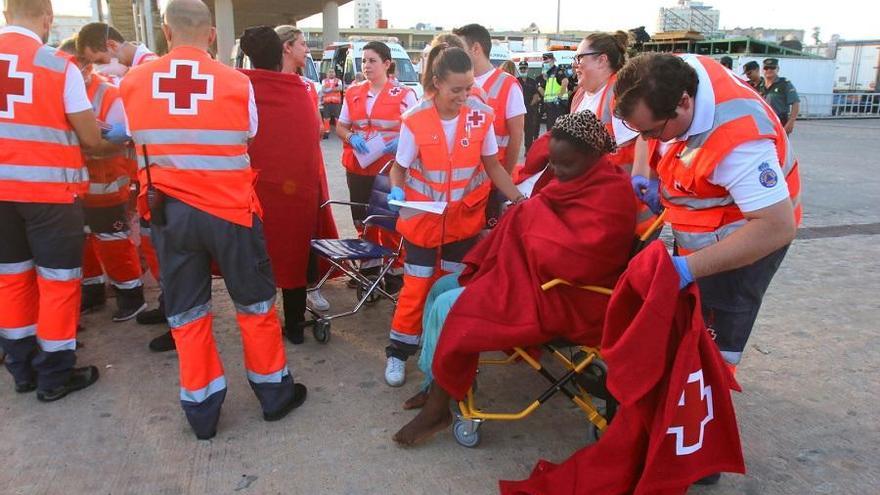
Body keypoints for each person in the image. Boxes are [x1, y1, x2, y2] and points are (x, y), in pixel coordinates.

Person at [119, 0, 307, 439]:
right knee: (256, 305)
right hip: (231, 212)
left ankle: (202, 411)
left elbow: (131, 136)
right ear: (211, 35)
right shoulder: (237, 83)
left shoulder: (132, 83)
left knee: (187, 312)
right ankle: (273, 394)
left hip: (171, 214)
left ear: (166, 32)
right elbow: (251, 134)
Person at [392, 111, 636, 443]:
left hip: (568, 296)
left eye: (567, 165)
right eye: (554, 164)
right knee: (440, 288)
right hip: (536, 278)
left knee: (452, 305)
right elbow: (543, 215)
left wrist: (529, 220)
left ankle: (439, 407)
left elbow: (579, 258)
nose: (559, 173)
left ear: (593, 157)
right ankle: (436, 383)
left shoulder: (612, 192)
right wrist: (528, 219)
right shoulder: (574, 177)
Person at [614, 53, 799, 400]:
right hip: (707, 225)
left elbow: (776, 227)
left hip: (746, 238)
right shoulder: (674, 74)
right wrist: (646, 173)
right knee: (687, 320)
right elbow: (650, 132)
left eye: (654, 131)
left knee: (716, 332)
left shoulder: (739, 142)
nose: (651, 139)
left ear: (684, 103)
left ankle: (708, 406)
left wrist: (687, 267)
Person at [383, 45, 526, 388]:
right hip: (422, 220)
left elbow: (493, 165)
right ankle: (399, 351)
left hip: (463, 221)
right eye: (456, 90)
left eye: (468, 87)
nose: (464, 96)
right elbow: (398, 169)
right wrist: (397, 190)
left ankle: (442, 354)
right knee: (416, 286)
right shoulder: (416, 119)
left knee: (451, 289)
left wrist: (519, 199)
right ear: (437, 83)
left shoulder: (481, 115)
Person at [0, 0, 117, 401]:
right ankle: (53, 374)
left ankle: (20, 368)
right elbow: (90, 139)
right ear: (48, 18)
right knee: (58, 283)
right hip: (49, 194)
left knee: (11, 280)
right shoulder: (57, 66)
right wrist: (117, 140)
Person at [77, 22, 166, 329]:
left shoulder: (146, 71)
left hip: (155, 175)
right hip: (147, 174)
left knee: (159, 244)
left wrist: (110, 134)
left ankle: (174, 312)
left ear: (112, 47)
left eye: (100, 61)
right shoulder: (140, 69)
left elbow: (145, 124)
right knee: (153, 243)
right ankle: (170, 306)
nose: (99, 69)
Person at [238, 26, 322, 345]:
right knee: (292, 252)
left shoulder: (238, 87)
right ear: (281, 52)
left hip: (251, 187)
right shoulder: (298, 90)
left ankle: (260, 324)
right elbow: (310, 142)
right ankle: (296, 325)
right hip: (295, 189)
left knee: (255, 252)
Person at [58, 38, 147, 322]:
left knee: (113, 242)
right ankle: (93, 291)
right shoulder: (55, 88)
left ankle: (131, 296)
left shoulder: (109, 93)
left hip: (106, 184)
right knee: (81, 241)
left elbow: (120, 142)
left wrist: (81, 145)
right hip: (74, 185)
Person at [335, 41, 416, 290]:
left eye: (372, 60)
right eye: (364, 61)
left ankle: (395, 269)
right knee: (362, 218)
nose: (366, 65)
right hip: (358, 166)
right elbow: (341, 125)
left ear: (387, 64)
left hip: (389, 169)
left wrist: (399, 142)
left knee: (389, 219)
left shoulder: (404, 94)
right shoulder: (353, 92)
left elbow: (416, 127)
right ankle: (368, 267)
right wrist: (351, 137)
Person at [275, 24, 336, 313]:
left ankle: (311, 284)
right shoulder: (268, 83)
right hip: (278, 170)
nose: (307, 49)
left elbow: (316, 129)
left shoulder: (307, 86)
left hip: (308, 167)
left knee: (310, 226)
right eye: (301, 44)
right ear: (287, 47)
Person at [454, 24, 526, 227]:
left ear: (476, 49)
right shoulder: (457, 84)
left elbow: (516, 136)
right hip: (465, 185)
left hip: (494, 183)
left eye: (458, 49)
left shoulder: (507, 84)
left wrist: (503, 181)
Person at [76, 22, 158, 81]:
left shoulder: (151, 66)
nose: (100, 67)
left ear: (112, 45)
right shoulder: (131, 68)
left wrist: (127, 74)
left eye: (100, 61)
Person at [758, 58, 800, 134]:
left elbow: (795, 103)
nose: (769, 70)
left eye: (772, 68)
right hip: (763, 123)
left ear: (777, 69)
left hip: (780, 122)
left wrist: (791, 122)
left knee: (779, 145)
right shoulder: (760, 86)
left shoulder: (784, 84)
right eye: (766, 68)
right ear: (762, 70)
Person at [538, 52, 569, 130]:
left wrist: (559, 98)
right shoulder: (548, 73)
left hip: (558, 106)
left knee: (557, 131)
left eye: (547, 62)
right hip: (550, 107)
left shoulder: (557, 71)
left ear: (553, 60)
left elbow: (565, 81)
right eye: (544, 63)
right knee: (550, 130)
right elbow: (545, 89)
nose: (546, 64)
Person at [517, 61, 541, 150]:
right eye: (521, 68)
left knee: (529, 132)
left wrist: (530, 105)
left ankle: (528, 149)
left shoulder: (532, 81)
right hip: (518, 111)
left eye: (524, 68)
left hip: (529, 110)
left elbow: (536, 95)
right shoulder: (516, 81)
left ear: (528, 69)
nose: (523, 70)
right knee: (516, 132)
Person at [320, 69, 343, 139]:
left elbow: (340, 88)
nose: (331, 73)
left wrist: (329, 89)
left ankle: (339, 132)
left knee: (338, 118)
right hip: (327, 103)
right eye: (329, 72)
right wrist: (334, 88)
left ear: (335, 73)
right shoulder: (324, 81)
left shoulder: (339, 80)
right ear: (327, 73)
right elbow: (323, 89)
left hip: (336, 103)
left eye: (332, 72)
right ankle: (326, 132)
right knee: (326, 119)